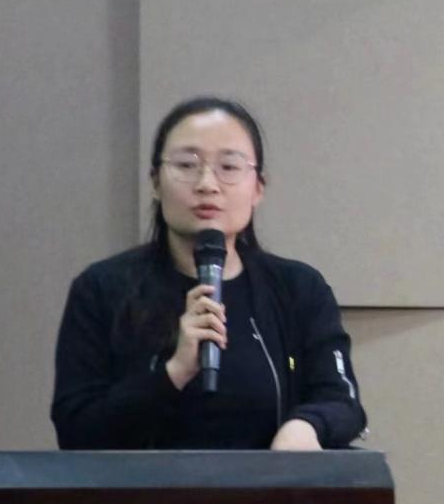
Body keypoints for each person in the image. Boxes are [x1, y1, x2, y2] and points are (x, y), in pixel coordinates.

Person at [51, 96, 367, 450]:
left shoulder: (298, 289)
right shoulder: (102, 288)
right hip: (142, 487)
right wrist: (173, 373)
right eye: (187, 165)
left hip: (270, 483)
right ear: (155, 182)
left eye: (228, 167)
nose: (207, 184)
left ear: (258, 188)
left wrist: (307, 426)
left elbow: (342, 401)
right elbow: (75, 429)